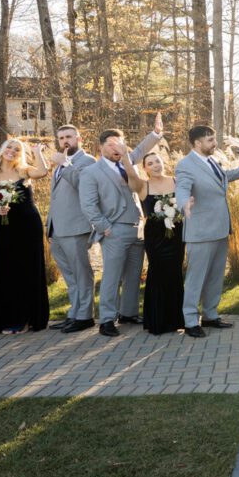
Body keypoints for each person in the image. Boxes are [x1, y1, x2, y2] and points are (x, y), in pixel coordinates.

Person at [79, 127, 161, 338]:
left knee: (134, 275)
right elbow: (88, 205)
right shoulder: (91, 172)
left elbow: (142, 149)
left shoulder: (128, 161)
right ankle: (107, 319)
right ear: (101, 147)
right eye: (111, 144)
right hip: (114, 230)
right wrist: (105, 228)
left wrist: (156, 133)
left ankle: (128, 313)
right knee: (112, 277)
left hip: (137, 228)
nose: (116, 148)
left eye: (119, 144)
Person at [174, 124, 239, 337]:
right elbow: (181, 188)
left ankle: (210, 315)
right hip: (200, 232)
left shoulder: (211, 161)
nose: (214, 143)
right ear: (197, 143)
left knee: (215, 276)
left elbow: (223, 177)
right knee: (196, 278)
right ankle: (191, 321)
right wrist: (184, 203)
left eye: (214, 138)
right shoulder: (185, 166)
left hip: (219, 229)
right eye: (210, 140)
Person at [0, 139, 51, 335]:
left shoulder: (24, 171)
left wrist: (37, 152)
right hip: (4, 227)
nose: (12, 151)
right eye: (9, 148)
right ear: (2, 151)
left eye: (17, 149)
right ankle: (8, 318)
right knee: (6, 269)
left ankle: (30, 318)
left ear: (20, 154)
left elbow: (43, 172)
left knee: (29, 268)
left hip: (28, 225)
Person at [119, 149, 185, 335]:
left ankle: (177, 320)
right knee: (157, 273)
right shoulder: (142, 186)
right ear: (145, 169)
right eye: (150, 163)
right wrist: (125, 155)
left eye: (158, 161)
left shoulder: (176, 181)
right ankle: (157, 321)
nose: (156, 165)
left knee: (175, 273)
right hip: (155, 237)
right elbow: (130, 173)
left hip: (176, 233)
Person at [46, 124, 97, 333]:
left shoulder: (88, 161)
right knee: (69, 276)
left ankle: (85, 316)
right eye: (61, 138)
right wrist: (49, 225)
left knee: (81, 273)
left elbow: (80, 184)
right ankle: (74, 313)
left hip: (76, 227)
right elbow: (56, 197)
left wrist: (65, 164)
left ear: (79, 139)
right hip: (57, 229)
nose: (65, 141)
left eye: (69, 137)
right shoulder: (59, 164)